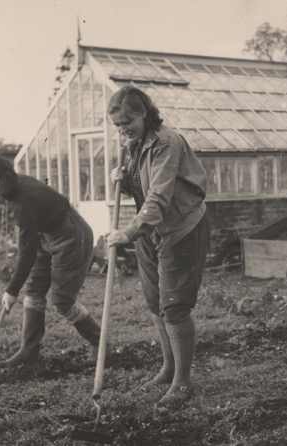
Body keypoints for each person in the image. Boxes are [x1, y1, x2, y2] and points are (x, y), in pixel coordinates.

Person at [105, 86, 210, 407]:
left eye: (128, 122)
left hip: (180, 229)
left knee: (175, 306)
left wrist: (128, 233)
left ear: (144, 113)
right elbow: (143, 188)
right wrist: (123, 179)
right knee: (155, 301)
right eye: (118, 126)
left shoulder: (167, 143)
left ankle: (183, 381)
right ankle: (168, 367)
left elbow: (160, 196)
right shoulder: (135, 144)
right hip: (151, 231)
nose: (123, 130)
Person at [0, 156, 104, 368]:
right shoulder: (13, 187)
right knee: (34, 292)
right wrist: (17, 289)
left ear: (5, 177)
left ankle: (100, 344)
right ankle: (29, 351)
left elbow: (26, 252)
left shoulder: (22, 202)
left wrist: (11, 290)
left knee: (63, 300)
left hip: (72, 235)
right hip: (47, 234)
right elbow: (30, 247)